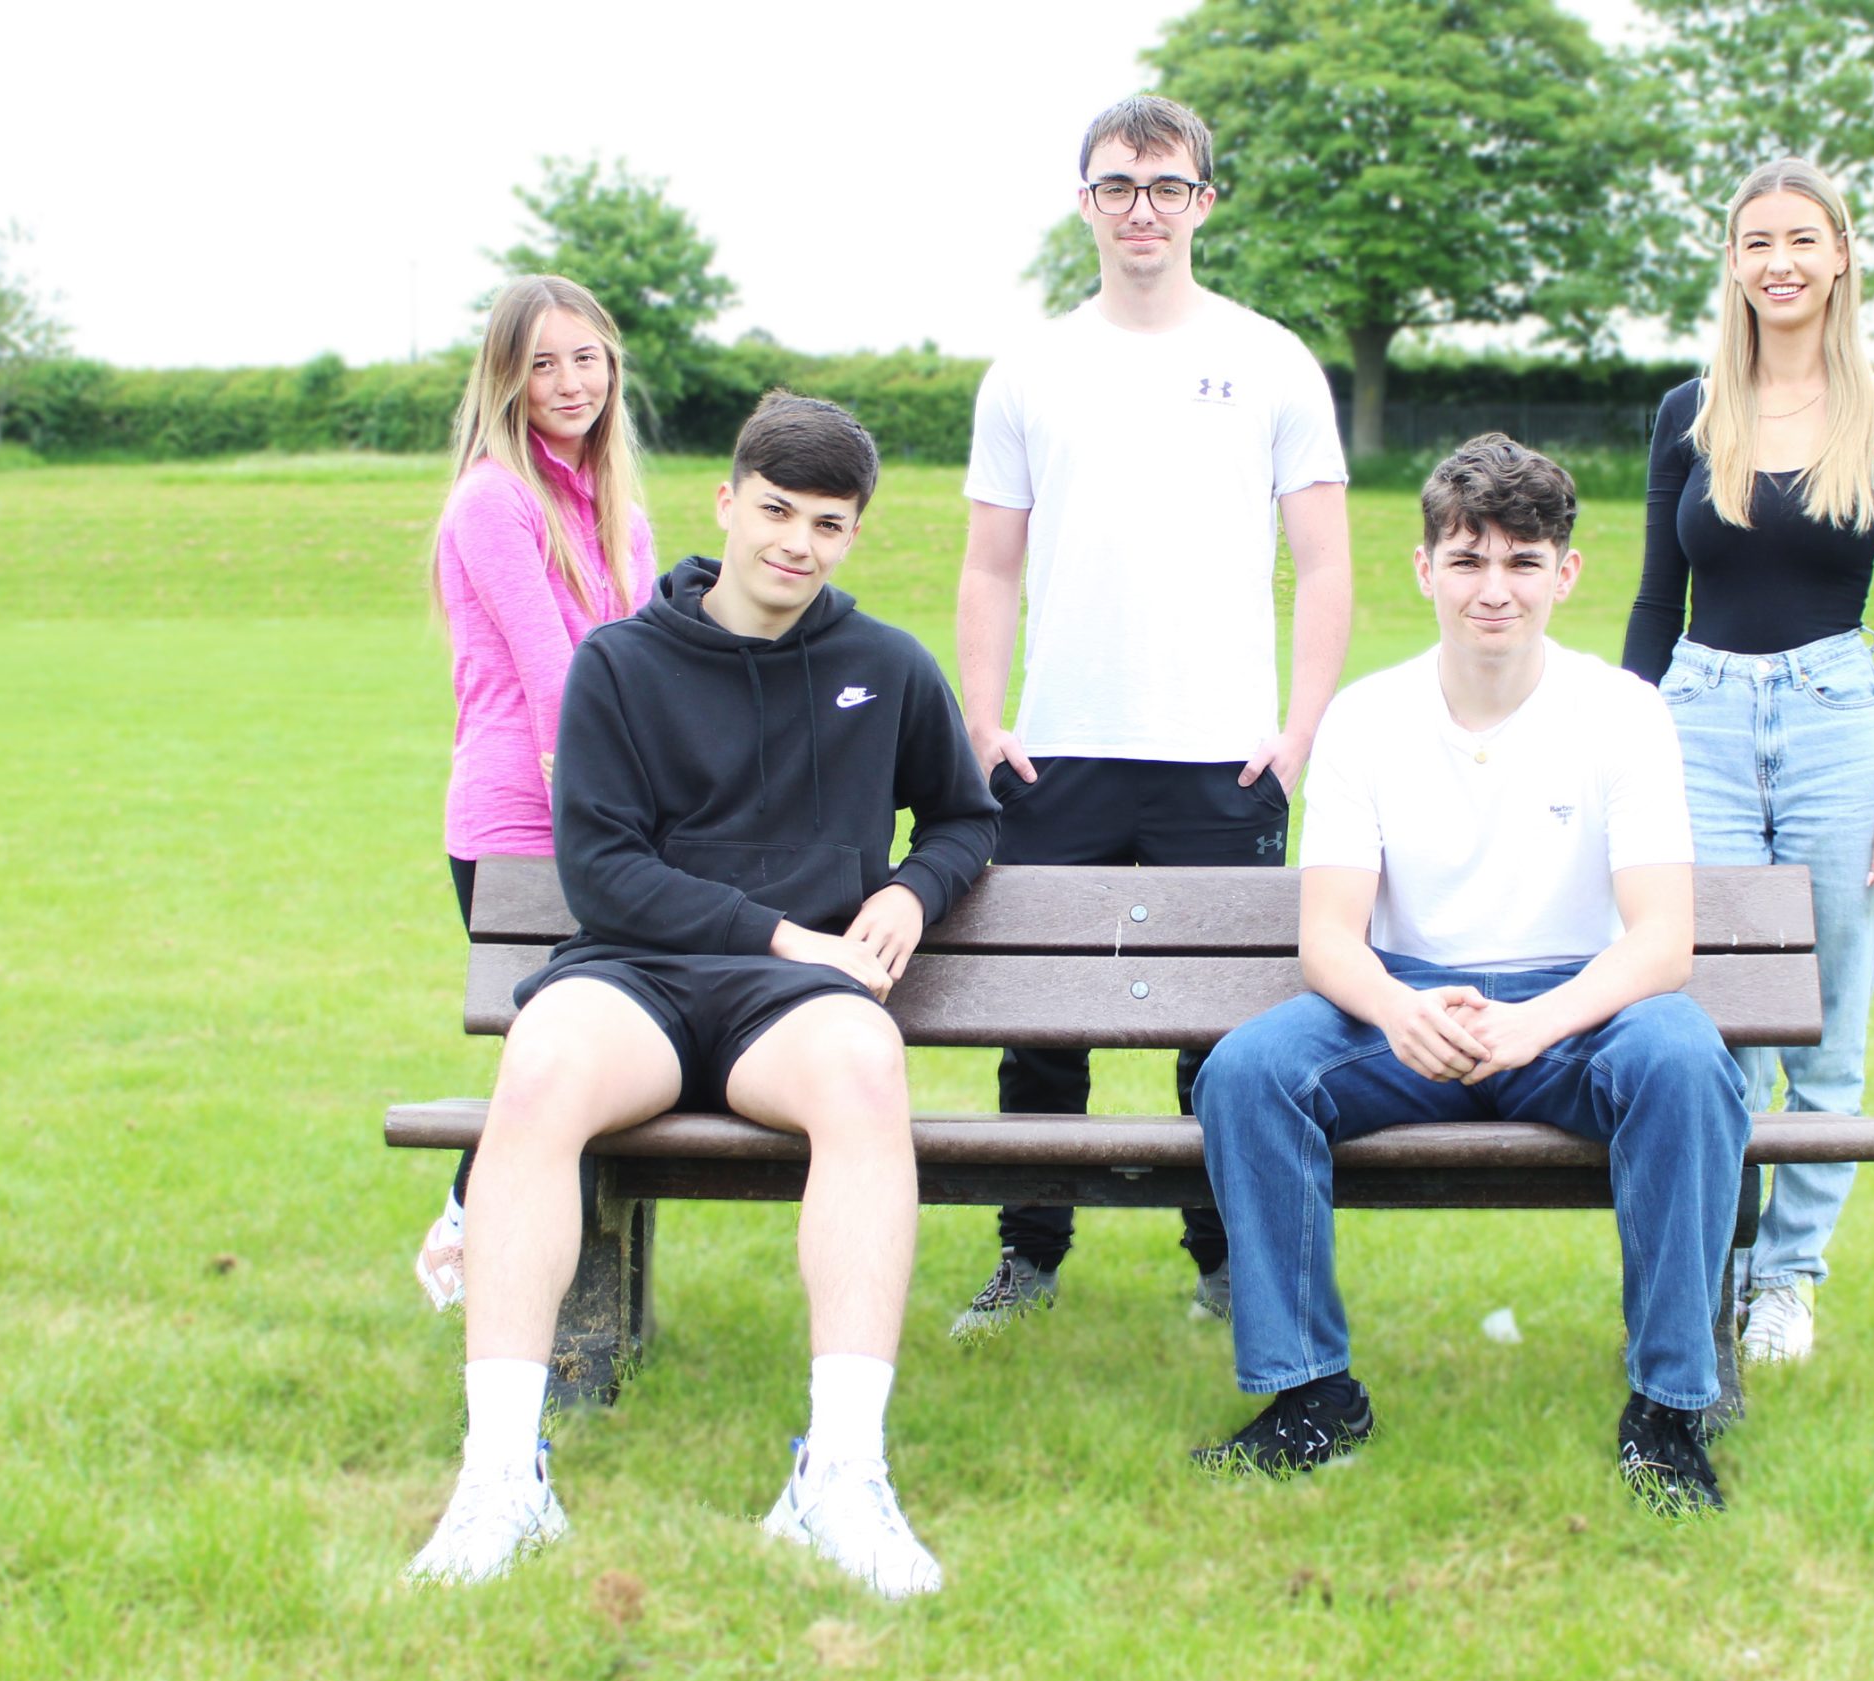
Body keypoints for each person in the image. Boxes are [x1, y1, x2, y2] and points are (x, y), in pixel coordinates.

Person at [405, 393, 1001, 1596]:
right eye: (776, 511)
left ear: (853, 533)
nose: (797, 543)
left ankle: (839, 1476)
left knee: (865, 1068)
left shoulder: (886, 666)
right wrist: (786, 933)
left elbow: (963, 817)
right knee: (539, 1062)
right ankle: (500, 1482)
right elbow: (603, 872)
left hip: (793, 1007)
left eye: (827, 524)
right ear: (727, 503)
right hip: (640, 975)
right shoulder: (619, 663)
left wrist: (911, 892)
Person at [1193, 435, 1751, 1513]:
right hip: (1409, 1000)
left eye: (1522, 561)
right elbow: (1330, 940)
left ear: (1565, 573)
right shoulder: (1366, 715)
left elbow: (1661, 941)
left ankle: (1668, 1412)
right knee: (1248, 1072)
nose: (1494, 589)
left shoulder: (1623, 711)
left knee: (1686, 1062)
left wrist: (1536, 1023)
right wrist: (1399, 1008)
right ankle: (1311, 1395)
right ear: (1425, 569)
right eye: (1467, 559)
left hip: (1575, 1005)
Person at [951, 92, 1353, 1337]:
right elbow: (990, 567)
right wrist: (983, 722)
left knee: (1224, 1036)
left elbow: (1325, 565)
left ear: (1203, 203)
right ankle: (1028, 1257)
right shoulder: (1030, 368)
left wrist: (1299, 733)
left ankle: (1226, 1265)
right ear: (1085, 203)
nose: (1143, 209)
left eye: (1167, 186)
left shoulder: (1271, 359)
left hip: (1220, 758)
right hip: (1057, 753)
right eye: (1119, 186)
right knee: (1040, 1029)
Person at [1621, 157, 1874, 1365]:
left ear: (1840, 255)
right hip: (1694, 721)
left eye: (1803, 239)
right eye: (1757, 242)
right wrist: (1620, 747)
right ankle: (1710, 1268)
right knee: (1710, 1025)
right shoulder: (1689, 411)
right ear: (1733, 262)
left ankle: (1788, 1279)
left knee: (1825, 1026)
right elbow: (1654, 600)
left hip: (1836, 724)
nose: (1780, 262)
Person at [415, 274, 657, 1311]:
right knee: (545, 1053)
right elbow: (552, 673)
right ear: (507, 379)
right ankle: (469, 1228)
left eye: (586, 358)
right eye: (543, 363)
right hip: (519, 822)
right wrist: (608, 821)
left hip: (609, 822)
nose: (569, 382)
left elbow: (643, 669)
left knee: (577, 1053)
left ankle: (484, 1237)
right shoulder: (493, 498)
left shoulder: (621, 513)